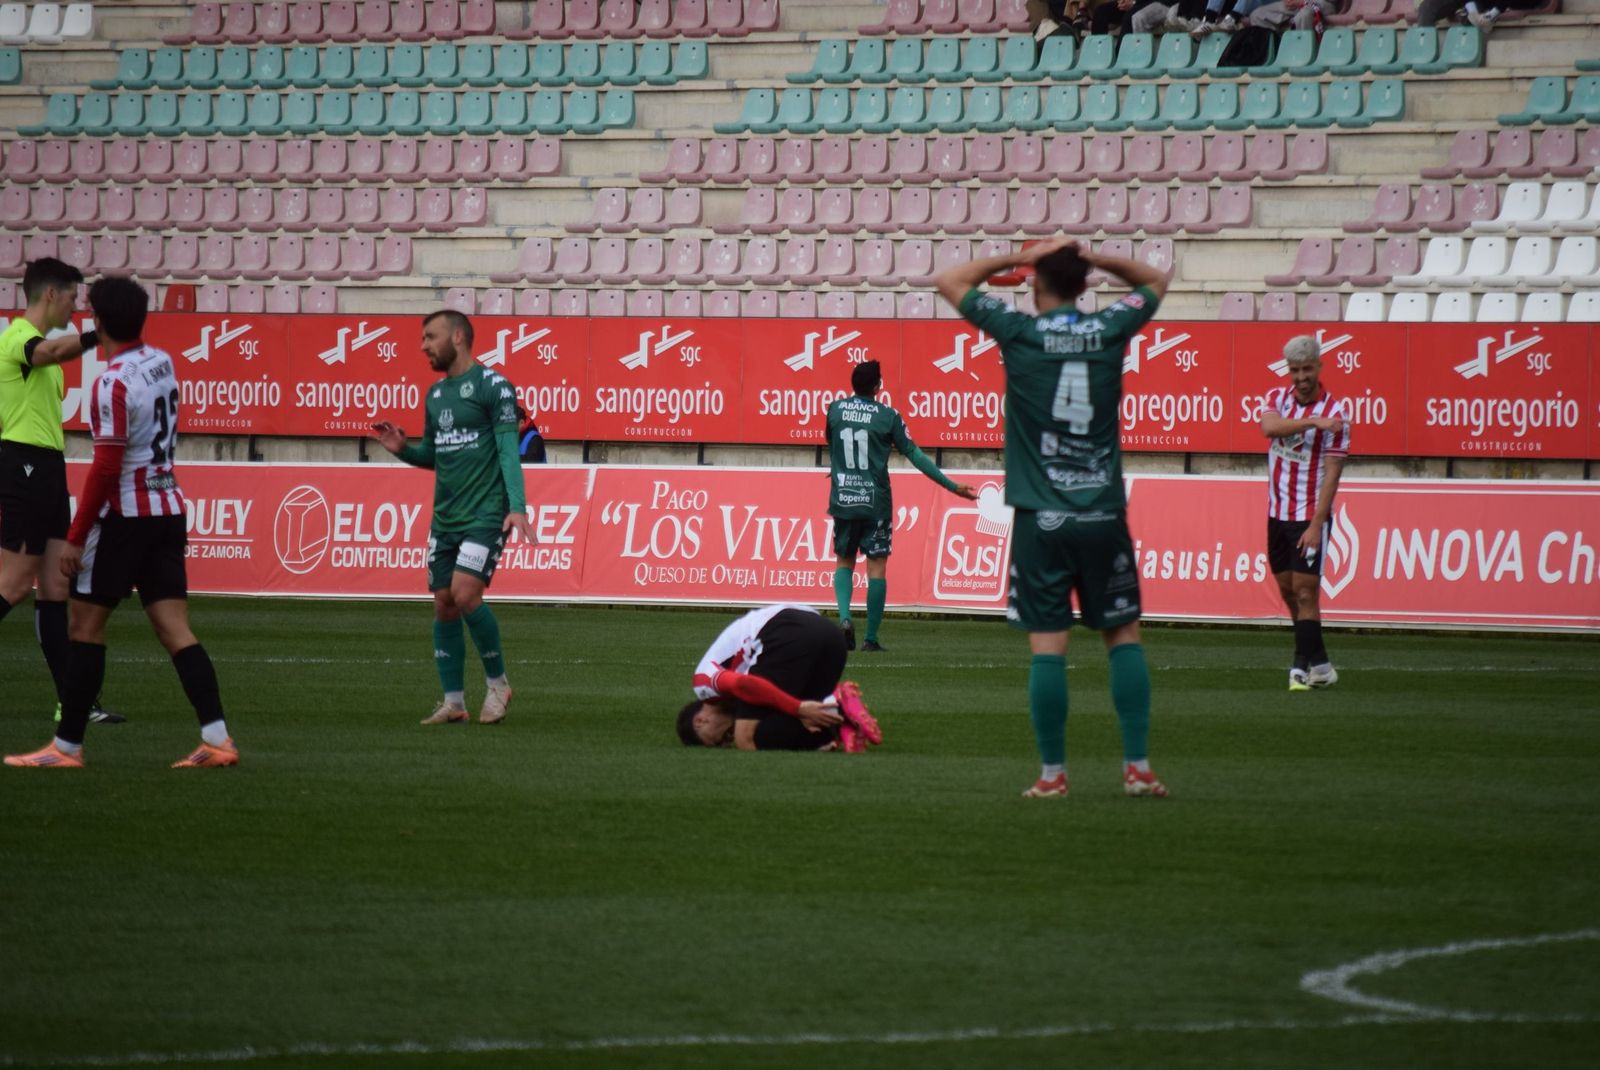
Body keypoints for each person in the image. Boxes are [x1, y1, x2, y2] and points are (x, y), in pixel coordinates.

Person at [934, 238, 1171, 800]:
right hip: (1102, 511)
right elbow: (1156, 281)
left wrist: (1016, 258)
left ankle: (1052, 776)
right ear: (1084, 286)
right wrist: (1096, 259)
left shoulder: (1020, 331)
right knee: (1122, 635)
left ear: (1037, 285)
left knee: (1048, 645)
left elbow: (950, 280)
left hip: (1042, 515)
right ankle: (1137, 768)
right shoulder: (1110, 326)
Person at [5, 278, 230, 769]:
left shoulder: (112, 382)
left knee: (85, 628)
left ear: (98, 322)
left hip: (126, 517)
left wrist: (77, 537)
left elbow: (107, 468)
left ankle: (66, 748)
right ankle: (218, 740)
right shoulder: (162, 362)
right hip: (168, 508)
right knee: (175, 629)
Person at [372, 310, 533, 726]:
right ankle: (454, 702)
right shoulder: (436, 396)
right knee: (443, 603)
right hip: (445, 517)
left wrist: (517, 506)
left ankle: (498, 683)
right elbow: (435, 455)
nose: (423, 345)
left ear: (458, 337)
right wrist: (403, 448)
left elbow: (507, 451)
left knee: (464, 594)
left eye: (431, 336)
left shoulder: (493, 386)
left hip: (486, 512)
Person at [0, 257, 125, 728]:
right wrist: (99, 335)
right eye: (73, 297)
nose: (76, 306)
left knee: (55, 588)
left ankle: (75, 704)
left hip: (46, 468)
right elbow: (48, 355)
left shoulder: (39, 342)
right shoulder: (16, 339)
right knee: (12, 584)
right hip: (23, 466)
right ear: (50, 294)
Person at [827, 360, 977, 653]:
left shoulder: (835, 409)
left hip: (843, 497)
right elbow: (914, 454)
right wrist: (951, 486)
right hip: (875, 502)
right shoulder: (888, 416)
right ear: (877, 387)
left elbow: (833, 445)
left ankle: (845, 618)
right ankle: (870, 638)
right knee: (877, 568)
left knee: (844, 559)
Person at [1259, 335, 1349, 692]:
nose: (1300, 377)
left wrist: (1316, 524)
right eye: (1294, 370)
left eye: (1306, 369)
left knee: (1307, 593)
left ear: (1319, 367)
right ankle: (1322, 665)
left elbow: (1332, 476)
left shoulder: (1338, 414)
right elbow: (1269, 427)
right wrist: (1313, 422)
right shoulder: (1276, 399)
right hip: (1276, 515)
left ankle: (1298, 667)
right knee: (1287, 591)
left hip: (1308, 516)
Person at [675, 603, 881, 753]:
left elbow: (744, 683)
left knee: (745, 739)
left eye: (717, 742)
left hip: (786, 631)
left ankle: (837, 702)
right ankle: (837, 725)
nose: (724, 743)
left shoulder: (704, 685)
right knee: (780, 728)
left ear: (700, 721)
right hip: (830, 637)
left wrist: (797, 708)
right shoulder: (732, 700)